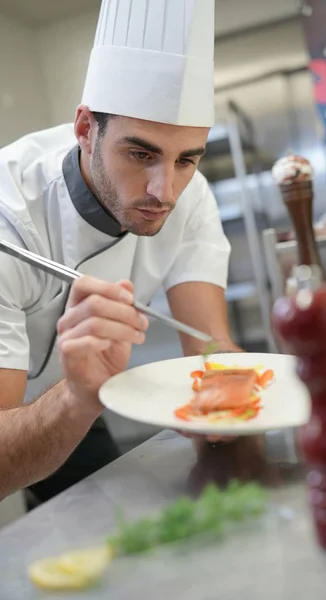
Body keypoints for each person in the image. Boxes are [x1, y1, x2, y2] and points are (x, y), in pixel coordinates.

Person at [0, 0, 240, 504]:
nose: (165, 191)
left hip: (79, 399)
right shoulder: (9, 217)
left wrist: (239, 394)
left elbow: (210, 349)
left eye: (186, 160)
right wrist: (75, 395)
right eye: (141, 154)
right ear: (86, 129)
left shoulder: (189, 195)